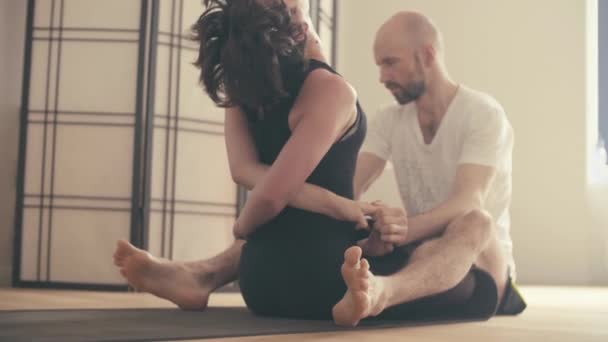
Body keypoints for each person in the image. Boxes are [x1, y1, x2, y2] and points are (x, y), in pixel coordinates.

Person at [114, 5, 526, 326]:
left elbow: (466, 200)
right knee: (306, 210)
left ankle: (381, 293)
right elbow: (350, 186)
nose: (381, 75)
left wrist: (397, 229)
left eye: (390, 62)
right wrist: (363, 218)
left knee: (476, 219)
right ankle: (202, 274)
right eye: (379, 63)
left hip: (479, 258)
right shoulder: (389, 119)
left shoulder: (481, 113)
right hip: (418, 248)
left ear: (428, 55)